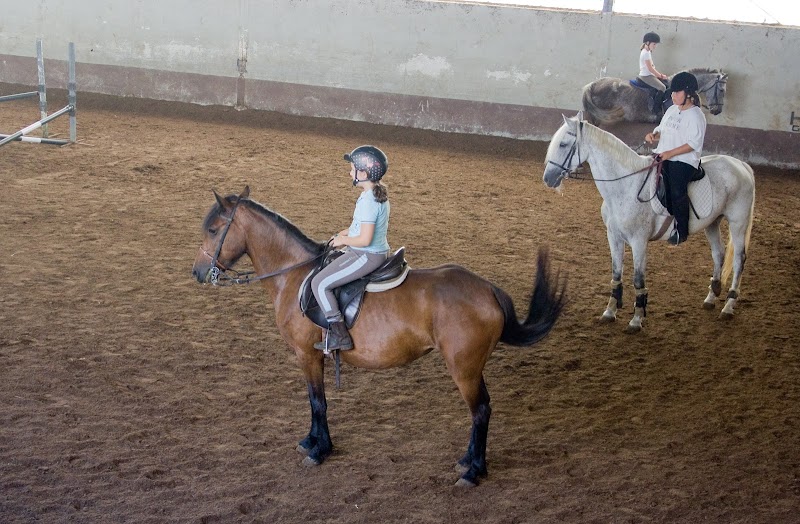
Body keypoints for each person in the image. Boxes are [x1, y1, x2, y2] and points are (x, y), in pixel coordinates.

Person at [311, 145, 391, 351]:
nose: (350, 172)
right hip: (371, 251)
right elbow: (361, 227)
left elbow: (364, 239)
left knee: (319, 283)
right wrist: (345, 233)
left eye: (353, 168)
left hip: (367, 255)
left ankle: (340, 335)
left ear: (364, 173)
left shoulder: (370, 200)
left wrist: (343, 242)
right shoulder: (372, 194)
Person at [645, 71, 707, 245]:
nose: (672, 95)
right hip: (664, 154)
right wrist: (654, 135)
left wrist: (670, 154)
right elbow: (662, 129)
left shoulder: (696, 116)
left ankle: (682, 230)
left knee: (677, 189)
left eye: (677, 92)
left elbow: (693, 144)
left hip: (685, 160)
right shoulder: (672, 110)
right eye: (672, 92)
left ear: (688, 94)